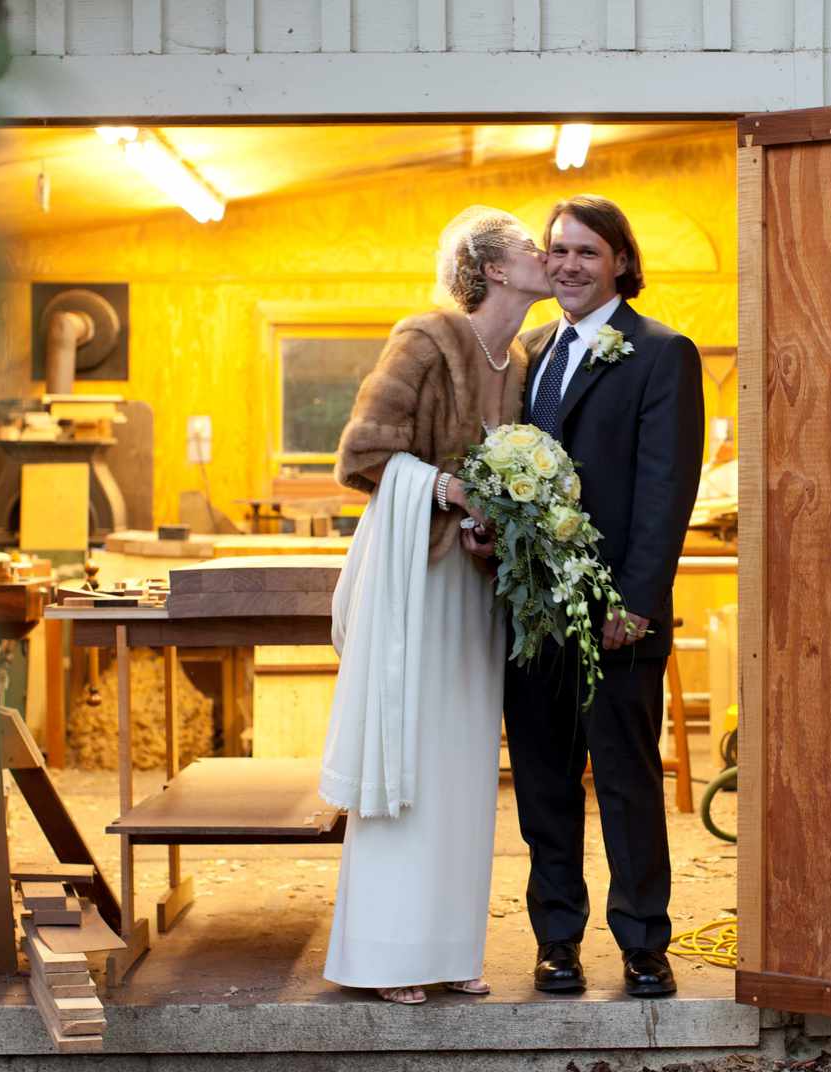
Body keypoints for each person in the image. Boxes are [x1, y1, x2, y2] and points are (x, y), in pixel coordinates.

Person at [466, 194, 705, 998]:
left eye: (587, 253)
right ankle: (557, 940)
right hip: (532, 614)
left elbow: (666, 489)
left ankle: (643, 943)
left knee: (630, 784)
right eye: (557, 250)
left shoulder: (662, 353)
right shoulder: (524, 350)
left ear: (622, 265)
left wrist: (633, 603)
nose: (568, 264)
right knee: (542, 782)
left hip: (615, 616)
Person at [319, 206, 549, 1005]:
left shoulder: (520, 358)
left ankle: (450, 947)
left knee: (463, 764)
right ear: (492, 268)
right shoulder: (424, 337)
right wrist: (447, 488)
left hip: (473, 587)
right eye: (530, 247)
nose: (544, 255)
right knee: (408, 757)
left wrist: (498, 521)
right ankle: (384, 957)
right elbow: (362, 453)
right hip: (413, 578)